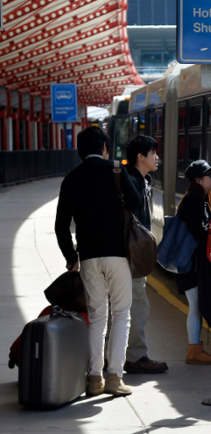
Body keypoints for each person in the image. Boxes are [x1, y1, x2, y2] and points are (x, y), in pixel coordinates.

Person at [55, 126, 139, 397]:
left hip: (89, 257)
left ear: (80, 151)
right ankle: (114, 376)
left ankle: (94, 378)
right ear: (104, 147)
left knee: (97, 316)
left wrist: (71, 258)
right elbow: (136, 202)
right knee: (121, 314)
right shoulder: (115, 169)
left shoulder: (71, 178)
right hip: (117, 254)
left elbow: (60, 226)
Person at [122, 135, 168, 375]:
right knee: (137, 306)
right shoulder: (131, 181)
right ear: (141, 157)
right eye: (153, 153)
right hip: (132, 256)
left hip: (134, 255)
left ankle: (125, 355)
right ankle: (136, 357)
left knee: (131, 306)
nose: (157, 157)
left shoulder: (144, 179)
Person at [174, 159, 211, 365]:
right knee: (195, 306)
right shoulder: (193, 201)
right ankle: (194, 351)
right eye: (210, 175)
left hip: (192, 264)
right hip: (190, 265)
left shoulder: (198, 199)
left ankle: (195, 349)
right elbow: (198, 232)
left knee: (196, 306)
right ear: (199, 180)